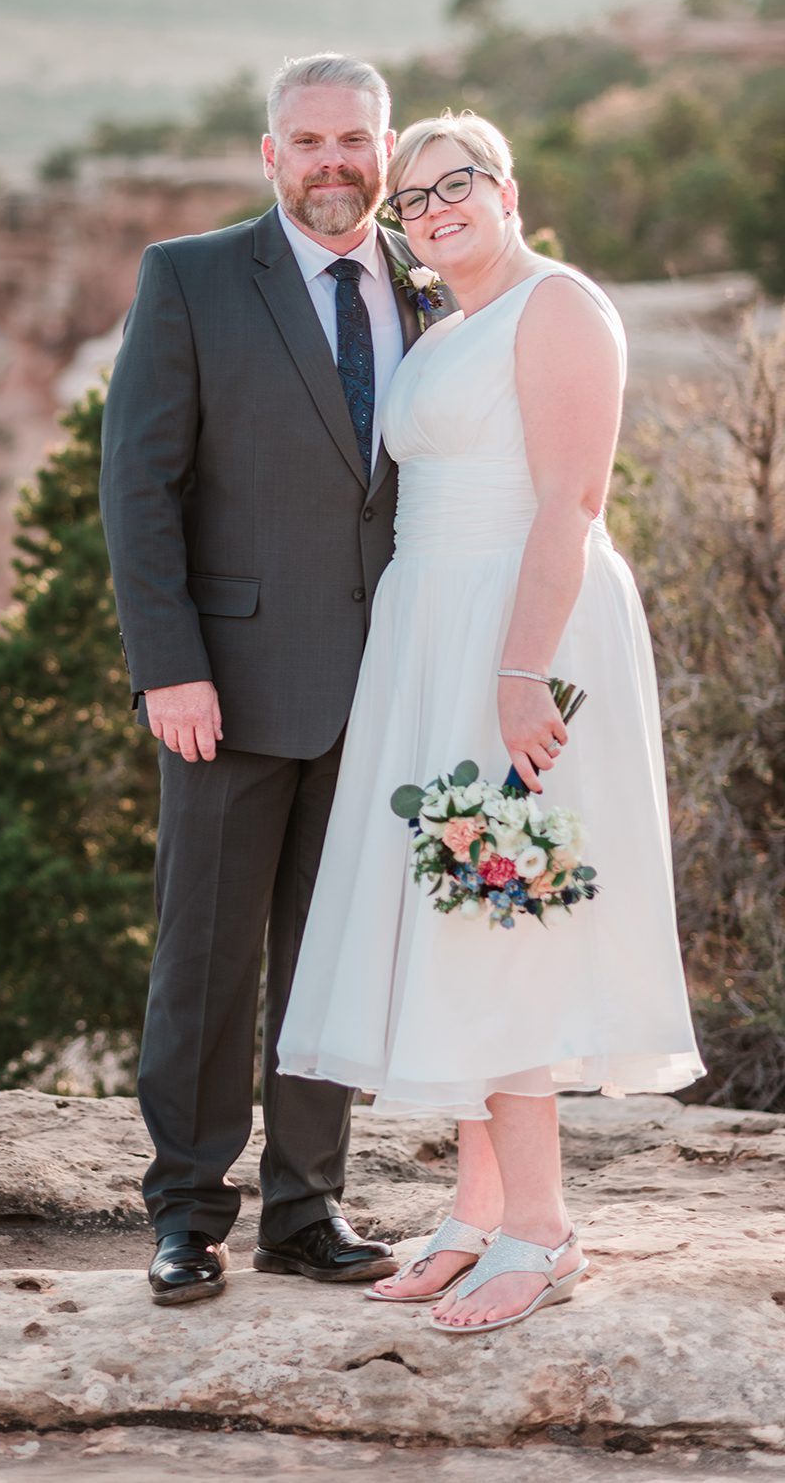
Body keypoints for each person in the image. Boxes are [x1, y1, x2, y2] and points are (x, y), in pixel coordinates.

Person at [278, 110, 704, 1332]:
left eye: (456, 182)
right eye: (413, 200)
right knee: (453, 914)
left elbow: (570, 500)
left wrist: (521, 672)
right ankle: (475, 1213)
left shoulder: (559, 306)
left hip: (523, 639)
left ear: (508, 189)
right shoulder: (446, 330)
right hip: (430, 638)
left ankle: (543, 1230)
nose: (435, 208)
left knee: (501, 904)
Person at [100, 54, 444, 1307]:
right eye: (309, 142)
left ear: (387, 147)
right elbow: (137, 488)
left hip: (383, 687)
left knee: (329, 954)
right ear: (270, 154)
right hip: (227, 688)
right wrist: (171, 668)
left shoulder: (422, 278)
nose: (333, 162)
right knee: (205, 956)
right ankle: (187, 1211)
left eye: (355, 139)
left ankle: (306, 1207)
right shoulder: (189, 277)